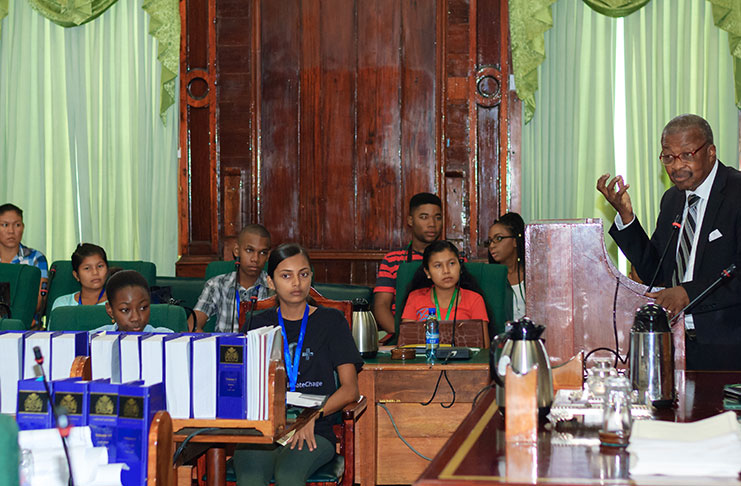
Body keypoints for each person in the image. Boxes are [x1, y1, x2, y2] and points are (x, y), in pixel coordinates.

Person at [596, 114, 741, 370]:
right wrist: (626, 217)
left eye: (687, 155)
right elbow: (655, 272)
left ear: (710, 152)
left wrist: (687, 293)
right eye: (668, 157)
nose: (676, 166)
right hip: (676, 344)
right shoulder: (673, 199)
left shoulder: (736, 193)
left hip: (728, 349)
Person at [232, 244, 362, 486]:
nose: (297, 283)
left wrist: (312, 415)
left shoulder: (331, 321)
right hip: (265, 428)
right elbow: (241, 384)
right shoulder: (256, 325)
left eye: (303, 274)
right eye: (286, 275)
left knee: (288, 477)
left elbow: (350, 389)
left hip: (315, 425)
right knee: (250, 478)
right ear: (270, 281)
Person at [373, 193, 443, 334]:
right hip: (400, 333)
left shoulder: (455, 259)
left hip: (444, 331)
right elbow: (381, 305)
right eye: (424, 217)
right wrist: (403, 335)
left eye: (438, 218)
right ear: (410, 220)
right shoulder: (393, 260)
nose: (432, 224)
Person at [192, 224, 273, 332]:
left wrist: (275, 297)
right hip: (223, 347)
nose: (255, 259)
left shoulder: (274, 286)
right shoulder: (216, 284)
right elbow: (193, 326)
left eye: (262, 253)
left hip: (260, 348)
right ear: (237, 251)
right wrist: (210, 347)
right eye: (249, 250)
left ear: (268, 256)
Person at [401, 240, 488, 325]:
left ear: (460, 267)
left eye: (451, 263)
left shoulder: (474, 300)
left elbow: (482, 339)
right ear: (428, 272)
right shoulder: (415, 298)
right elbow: (406, 338)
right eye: (438, 266)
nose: (446, 271)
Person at [0, 203, 49, 320]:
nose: (11, 231)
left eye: (17, 225)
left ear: (23, 227)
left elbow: (40, 301)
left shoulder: (36, 258)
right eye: (5, 225)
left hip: (27, 326)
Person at [94, 270, 172, 333]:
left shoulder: (165, 338)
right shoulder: (94, 340)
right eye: (125, 310)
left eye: (143, 308)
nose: (136, 318)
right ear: (110, 310)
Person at [486, 213, 526, 320]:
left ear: (515, 241)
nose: (492, 245)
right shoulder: (489, 278)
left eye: (498, 238)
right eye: (490, 241)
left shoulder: (532, 276)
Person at [51, 243, 109, 311]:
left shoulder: (118, 303)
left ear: (107, 269)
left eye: (100, 266)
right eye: (87, 268)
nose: (95, 272)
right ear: (76, 275)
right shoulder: (63, 304)